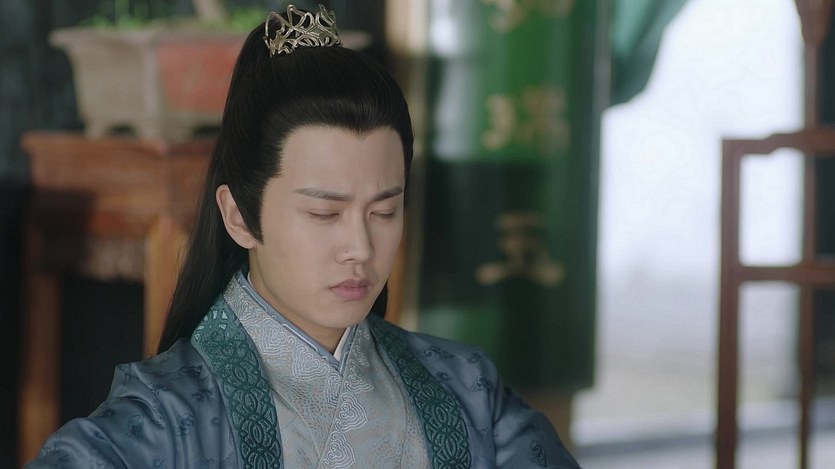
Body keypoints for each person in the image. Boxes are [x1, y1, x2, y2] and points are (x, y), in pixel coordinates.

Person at [27, 5, 581, 468]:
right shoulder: (166, 419)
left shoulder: (466, 391)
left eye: (384, 211)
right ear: (239, 216)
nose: (360, 248)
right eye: (324, 213)